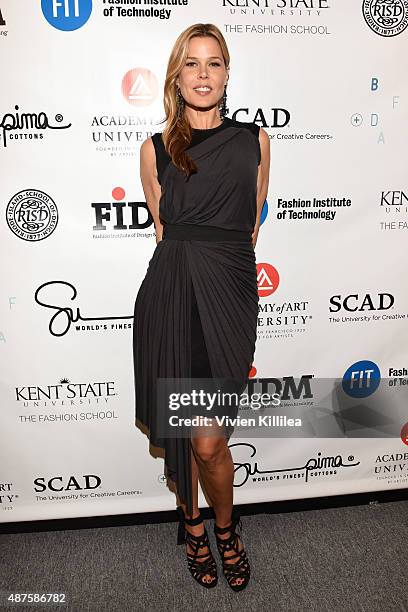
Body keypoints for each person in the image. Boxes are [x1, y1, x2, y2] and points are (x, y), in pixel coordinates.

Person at [133, 23, 270, 591]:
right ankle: (194, 527)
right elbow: (165, 230)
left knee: (211, 439)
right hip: (172, 293)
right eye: (192, 63)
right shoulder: (155, 149)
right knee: (185, 428)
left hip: (229, 293)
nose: (204, 74)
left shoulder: (255, 141)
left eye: (214, 63)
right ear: (177, 75)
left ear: (227, 73)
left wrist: (222, 275)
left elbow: (250, 227)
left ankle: (224, 526)